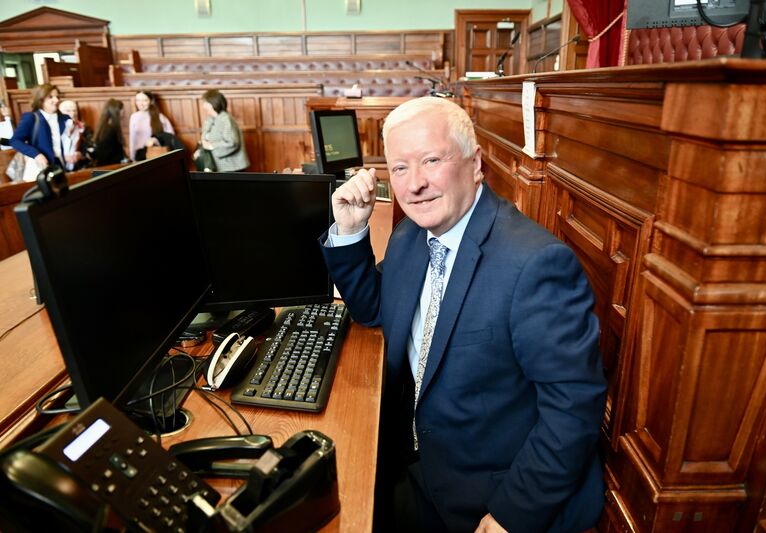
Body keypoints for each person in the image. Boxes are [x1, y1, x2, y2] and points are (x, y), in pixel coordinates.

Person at [319, 97, 606, 533]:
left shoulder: (536, 264)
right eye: (399, 168)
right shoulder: (410, 236)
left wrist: (512, 513)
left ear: (475, 165)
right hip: (417, 461)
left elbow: (573, 410)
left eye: (431, 160)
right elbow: (375, 308)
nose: (414, 184)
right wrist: (351, 229)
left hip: (490, 493)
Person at [9, 83, 69, 181]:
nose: (56, 100)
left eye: (57, 96)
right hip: (42, 167)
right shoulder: (31, 118)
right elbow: (15, 141)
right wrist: (36, 155)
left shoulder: (65, 119)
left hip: (64, 166)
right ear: (40, 99)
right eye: (51, 97)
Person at [195, 89, 249, 172]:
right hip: (218, 167)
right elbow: (205, 139)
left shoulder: (226, 119)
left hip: (231, 167)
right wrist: (200, 151)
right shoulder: (210, 120)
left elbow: (232, 142)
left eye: (206, 103)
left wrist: (211, 146)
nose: (203, 106)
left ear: (213, 103)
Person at [128, 90, 174, 161]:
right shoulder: (134, 117)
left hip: (156, 155)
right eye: (138, 100)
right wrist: (132, 157)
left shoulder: (159, 116)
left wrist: (156, 140)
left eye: (145, 100)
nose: (141, 103)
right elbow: (132, 139)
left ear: (151, 101)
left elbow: (171, 135)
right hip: (140, 155)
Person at [93, 99, 127, 166]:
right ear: (116, 111)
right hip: (108, 168)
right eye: (122, 109)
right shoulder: (109, 131)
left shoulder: (107, 127)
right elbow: (105, 157)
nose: (124, 112)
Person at [57, 99, 87, 170]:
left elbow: (89, 149)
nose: (73, 113)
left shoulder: (83, 128)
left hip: (78, 168)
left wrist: (80, 155)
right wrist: (63, 157)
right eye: (68, 111)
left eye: (74, 110)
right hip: (58, 169)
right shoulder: (54, 129)